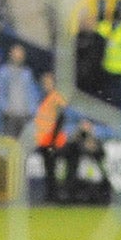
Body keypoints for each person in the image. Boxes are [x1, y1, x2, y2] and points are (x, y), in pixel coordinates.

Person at [0, 42, 41, 141]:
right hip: (10, 116)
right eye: (16, 54)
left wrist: (33, 110)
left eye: (20, 55)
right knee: (10, 143)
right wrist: (6, 109)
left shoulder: (27, 73)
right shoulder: (3, 72)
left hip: (26, 116)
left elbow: (33, 94)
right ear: (11, 55)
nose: (18, 57)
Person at [33, 72, 69, 202]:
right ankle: (51, 195)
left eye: (49, 82)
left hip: (53, 141)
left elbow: (61, 118)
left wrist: (53, 140)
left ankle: (55, 195)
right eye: (45, 82)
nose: (46, 85)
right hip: (44, 140)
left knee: (52, 169)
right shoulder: (44, 97)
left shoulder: (55, 97)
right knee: (49, 169)